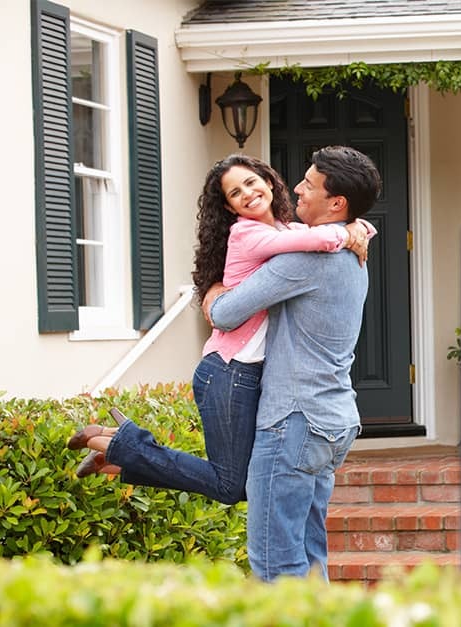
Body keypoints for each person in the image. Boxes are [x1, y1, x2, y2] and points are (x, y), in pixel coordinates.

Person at [65, 154, 373, 507]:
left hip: (250, 374)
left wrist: (361, 227)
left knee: (236, 484)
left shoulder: (289, 231)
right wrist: (349, 230)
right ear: (229, 208)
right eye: (235, 192)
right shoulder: (249, 232)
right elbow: (317, 242)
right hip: (229, 371)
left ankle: (117, 455)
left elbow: (311, 237)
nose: (248, 193)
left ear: (270, 181)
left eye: (251, 182)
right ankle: (124, 444)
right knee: (232, 485)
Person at [202, 145, 380, 581]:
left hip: (293, 421)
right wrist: (356, 226)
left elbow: (225, 313)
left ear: (336, 203)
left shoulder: (304, 260)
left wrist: (213, 292)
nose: (296, 187)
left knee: (274, 563)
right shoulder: (350, 252)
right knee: (310, 554)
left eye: (309, 184)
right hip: (334, 421)